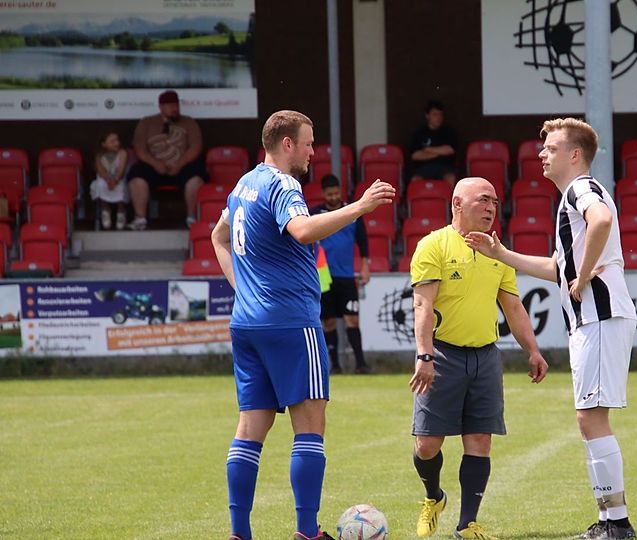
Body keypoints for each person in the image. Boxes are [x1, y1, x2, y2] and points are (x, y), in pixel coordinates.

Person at [210, 109, 395, 540]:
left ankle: (239, 533)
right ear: (287, 144)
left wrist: (244, 289)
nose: (314, 152)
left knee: (249, 429)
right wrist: (361, 206)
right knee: (310, 427)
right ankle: (307, 532)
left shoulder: (243, 184)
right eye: (309, 143)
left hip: (247, 324)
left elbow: (218, 236)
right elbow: (303, 230)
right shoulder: (282, 183)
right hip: (291, 322)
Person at [465, 118, 637, 540]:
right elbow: (559, 268)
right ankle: (611, 521)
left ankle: (617, 524)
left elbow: (600, 222)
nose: (542, 153)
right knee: (588, 419)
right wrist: (502, 254)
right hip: (593, 319)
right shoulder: (572, 195)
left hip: (599, 316)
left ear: (575, 155)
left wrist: (583, 275)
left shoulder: (581, 188)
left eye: (552, 148)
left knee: (591, 418)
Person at [407, 176, 548, 539]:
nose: (491, 208)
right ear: (457, 203)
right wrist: (424, 355)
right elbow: (422, 305)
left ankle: (466, 524)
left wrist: (532, 350)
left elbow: (513, 307)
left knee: (480, 441)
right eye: (483, 200)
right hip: (442, 354)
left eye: (495, 202)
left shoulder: (497, 252)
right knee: (427, 445)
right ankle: (433, 496)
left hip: (485, 356)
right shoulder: (433, 245)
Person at [309, 173, 372, 374]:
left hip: (346, 277)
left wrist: (365, 266)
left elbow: (363, 242)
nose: (334, 197)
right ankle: (334, 365)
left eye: (336, 193)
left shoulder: (351, 212)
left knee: (352, 319)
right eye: (330, 194)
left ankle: (360, 364)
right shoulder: (314, 214)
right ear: (323, 193)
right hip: (323, 277)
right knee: (328, 322)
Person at [127, 89, 206, 230]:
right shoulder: (147, 122)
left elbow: (196, 147)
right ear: (161, 107)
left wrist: (179, 164)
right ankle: (140, 218)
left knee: (197, 175)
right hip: (154, 167)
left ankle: (191, 218)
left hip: (182, 167)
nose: (175, 108)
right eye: (170, 106)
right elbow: (139, 149)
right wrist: (155, 163)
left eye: (176, 105)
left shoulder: (188, 122)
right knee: (136, 174)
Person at [408, 100, 458, 187]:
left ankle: (450, 197)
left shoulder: (449, 132)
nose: (438, 117)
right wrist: (440, 152)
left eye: (440, 114)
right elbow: (415, 155)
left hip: (444, 167)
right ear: (427, 115)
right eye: (435, 114)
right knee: (415, 180)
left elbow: (450, 150)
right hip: (423, 168)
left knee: (451, 178)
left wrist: (427, 149)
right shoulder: (420, 133)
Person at [90, 131, 129, 230]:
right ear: (104, 144)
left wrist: (115, 180)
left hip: (118, 178)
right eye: (112, 141)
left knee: (121, 187)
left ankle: (121, 211)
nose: (116, 143)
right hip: (105, 179)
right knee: (100, 184)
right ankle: (105, 210)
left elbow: (121, 170)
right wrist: (108, 180)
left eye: (117, 140)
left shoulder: (122, 153)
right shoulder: (99, 155)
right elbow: (100, 170)